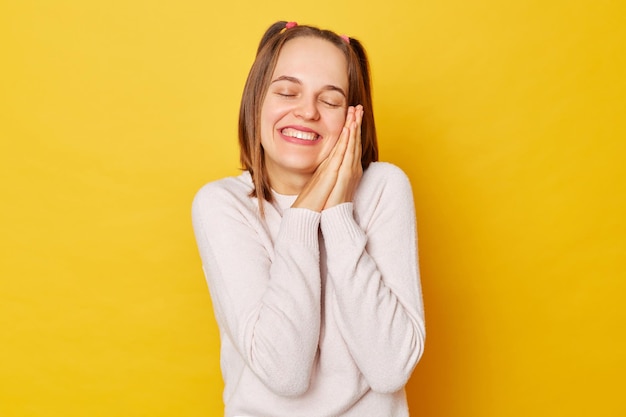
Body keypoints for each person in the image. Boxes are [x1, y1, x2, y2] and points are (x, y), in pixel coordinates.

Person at [192, 20, 425, 417]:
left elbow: (390, 369)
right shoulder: (221, 204)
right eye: (286, 91)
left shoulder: (385, 187)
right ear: (256, 102)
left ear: (354, 118)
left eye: (331, 101)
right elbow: (285, 373)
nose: (307, 112)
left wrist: (337, 213)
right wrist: (304, 215)